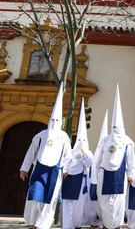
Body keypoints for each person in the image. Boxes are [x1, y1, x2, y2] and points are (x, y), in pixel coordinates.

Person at [19, 85, 72, 229]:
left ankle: (42, 224)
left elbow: (68, 155)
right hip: (38, 170)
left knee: (50, 198)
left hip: (56, 170)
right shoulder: (40, 135)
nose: (54, 124)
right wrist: (24, 168)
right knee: (35, 195)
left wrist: (66, 169)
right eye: (52, 120)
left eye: (57, 121)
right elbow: (31, 152)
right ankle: (33, 221)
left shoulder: (64, 137)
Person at [95, 85, 135, 229]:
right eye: (114, 129)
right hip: (105, 173)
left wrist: (131, 174)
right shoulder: (105, 140)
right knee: (103, 201)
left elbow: (131, 161)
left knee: (118, 200)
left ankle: (117, 223)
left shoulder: (128, 141)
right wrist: (97, 173)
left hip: (120, 175)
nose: (115, 131)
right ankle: (107, 223)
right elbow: (98, 159)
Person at [62, 98, 94, 229]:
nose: (80, 141)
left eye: (83, 139)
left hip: (81, 181)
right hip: (70, 179)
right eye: (78, 139)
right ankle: (67, 224)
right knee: (68, 202)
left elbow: (89, 163)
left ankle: (77, 223)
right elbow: (66, 161)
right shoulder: (71, 150)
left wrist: (84, 152)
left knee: (80, 204)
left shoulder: (89, 152)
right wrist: (65, 171)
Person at [85, 110, 108, 228]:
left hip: (104, 181)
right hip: (95, 181)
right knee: (95, 202)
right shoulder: (96, 154)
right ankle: (95, 219)